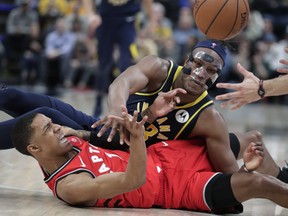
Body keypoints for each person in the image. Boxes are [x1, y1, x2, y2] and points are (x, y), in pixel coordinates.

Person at [10, 110, 288, 214]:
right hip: (176, 189)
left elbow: (91, 137)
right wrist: (137, 139)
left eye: (52, 122)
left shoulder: (66, 141)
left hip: (169, 154)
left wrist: (83, 132)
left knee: (253, 138)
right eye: (48, 128)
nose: (57, 127)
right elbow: (134, 180)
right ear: (34, 147)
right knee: (258, 182)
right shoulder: (70, 185)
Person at [91, 39, 259, 174]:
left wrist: (247, 169)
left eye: (210, 71)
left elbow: (230, 174)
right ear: (187, 61)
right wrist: (117, 109)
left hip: (140, 165)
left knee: (252, 139)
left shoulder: (209, 117)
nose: (200, 74)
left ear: (216, 78)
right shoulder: (158, 69)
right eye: (198, 64)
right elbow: (122, 82)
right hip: (110, 134)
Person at [83, 0, 154, 116]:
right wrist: (90, 14)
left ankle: (126, 105)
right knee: (103, 66)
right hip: (105, 21)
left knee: (125, 66)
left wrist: (152, 20)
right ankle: (98, 104)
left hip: (127, 22)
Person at [215, 47, 288, 110]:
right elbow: (238, 70)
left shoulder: (264, 61)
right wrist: (243, 54)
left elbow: (265, 75)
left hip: (259, 90)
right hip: (245, 84)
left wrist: (260, 88)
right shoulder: (247, 59)